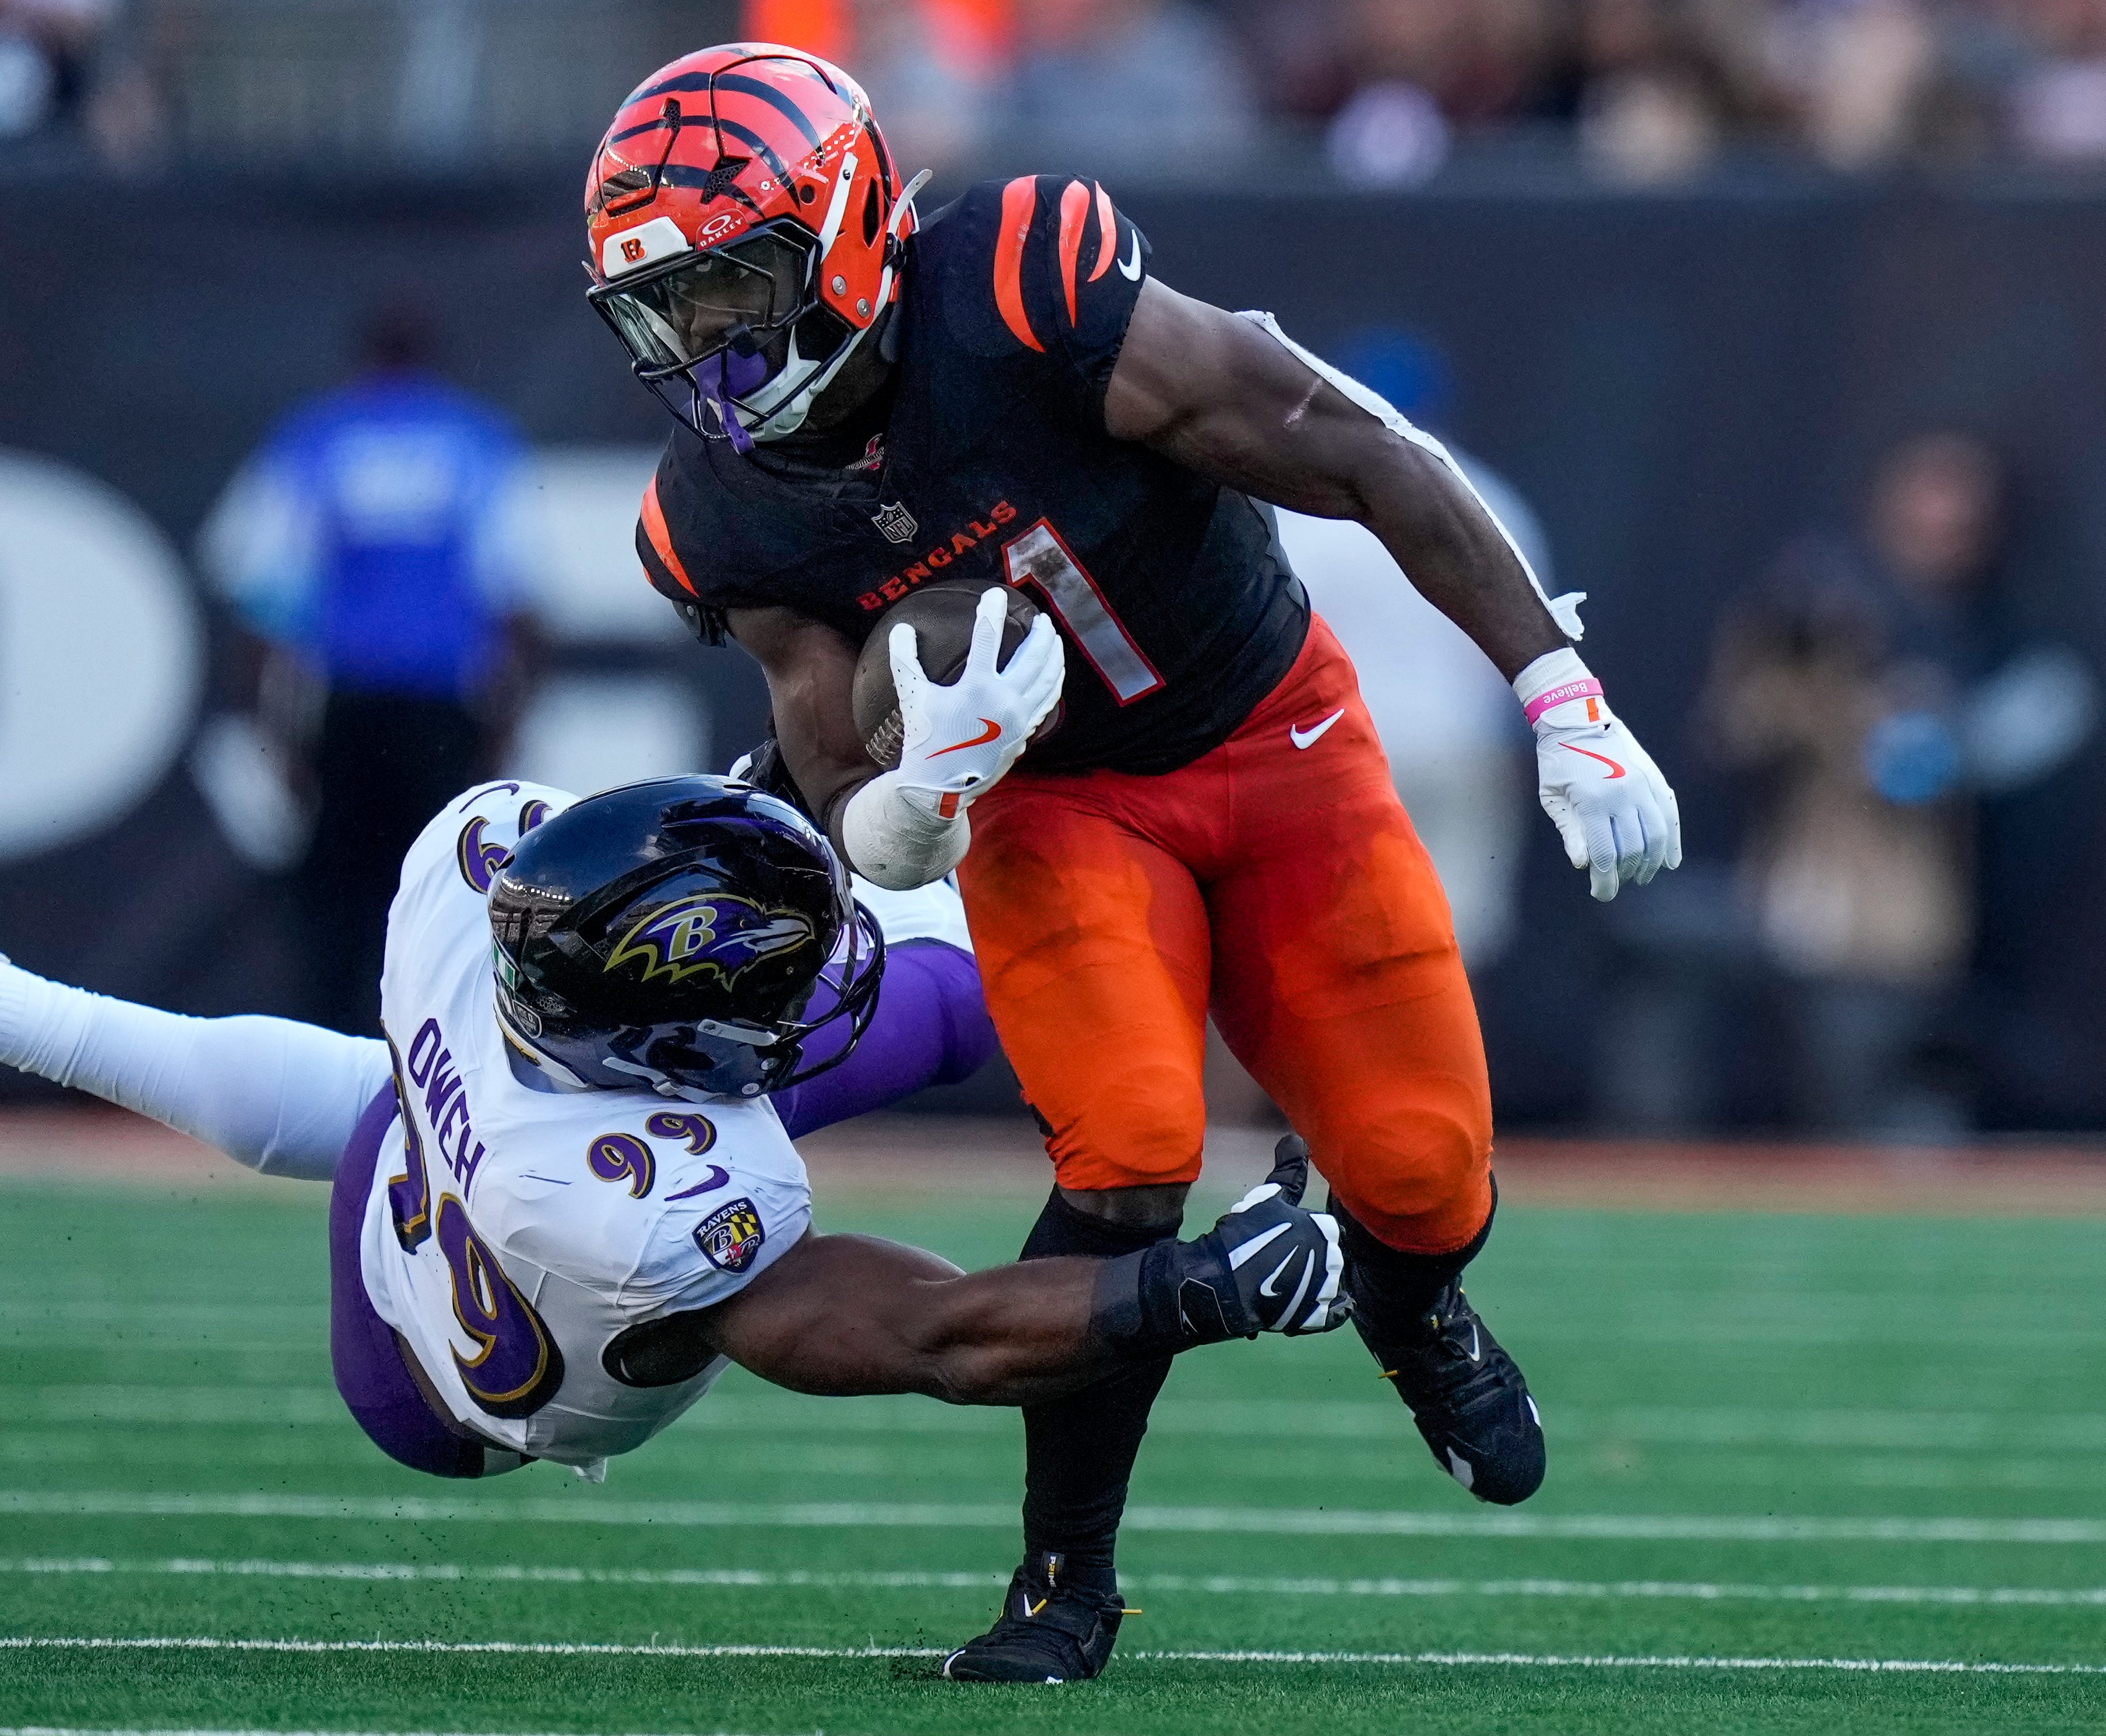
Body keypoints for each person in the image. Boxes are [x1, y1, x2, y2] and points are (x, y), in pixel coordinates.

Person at [587, 45, 1682, 1680]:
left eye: (733, 288)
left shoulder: (1023, 290)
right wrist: (923, 798)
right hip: (1056, 805)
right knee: (1127, 1154)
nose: (710, 348)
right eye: (670, 312)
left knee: (1420, 1169)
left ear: (840, 228)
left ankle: (1411, 1308)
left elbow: (1351, 445)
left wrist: (1558, 688)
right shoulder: (720, 505)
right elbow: (829, 778)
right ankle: (1062, 1582)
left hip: (1271, 730)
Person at [0, 782, 1346, 1490]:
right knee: (930, 1001)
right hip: (444, 1390)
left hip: (450, 1143)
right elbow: (928, 1334)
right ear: (666, 1061)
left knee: (379, 1096)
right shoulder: (643, 1206)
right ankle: (1174, 970)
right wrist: (1204, 1286)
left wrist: (908, 798)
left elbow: (687, 841)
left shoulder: (480, 875)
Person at [1701, 430, 2093, 1132]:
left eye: (1963, 506)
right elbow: (1738, 724)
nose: (1944, 521)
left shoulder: (1995, 619)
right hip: (1825, 892)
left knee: (1907, 1092)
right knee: (1836, 1073)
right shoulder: (1827, 597)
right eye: (1929, 497)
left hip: (1937, 911)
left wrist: (1939, 736)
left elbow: (2026, 725)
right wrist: (1843, 710)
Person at [201, 298, 546, 1038]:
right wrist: (508, 730)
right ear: (432, 362)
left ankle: (333, 1050)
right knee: (450, 888)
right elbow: (518, 604)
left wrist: (275, 737)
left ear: (361, 362)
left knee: (336, 901)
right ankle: (442, 1053)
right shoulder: (474, 440)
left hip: (346, 710)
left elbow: (262, 606)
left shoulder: (318, 438)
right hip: (442, 713)